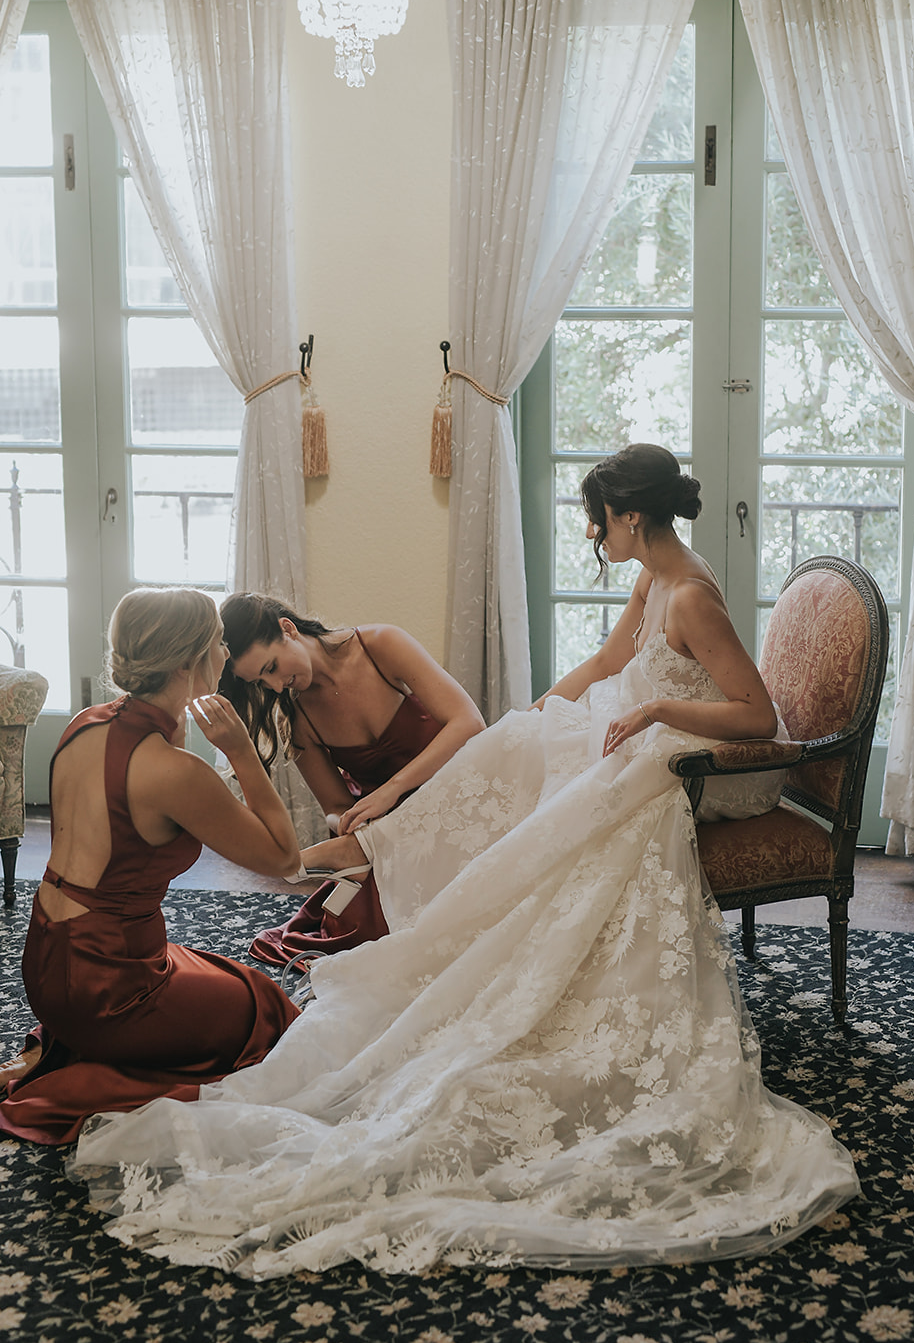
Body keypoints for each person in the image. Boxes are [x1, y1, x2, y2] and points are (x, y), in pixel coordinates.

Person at [69, 446, 859, 1275]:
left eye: (597, 520)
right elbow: (607, 666)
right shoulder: (652, 578)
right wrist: (541, 714)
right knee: (515, 750)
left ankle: (382, 865)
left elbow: (757, 718)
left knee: (555, 802)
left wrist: (656, 707)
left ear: (630, 518)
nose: (592, 534)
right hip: (640, 731)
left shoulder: (689, 595)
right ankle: (376, 856)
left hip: (709, 769)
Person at [0, 588, 335, 1145]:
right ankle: (91, 1072)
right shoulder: (174, 772)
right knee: (264, 1008)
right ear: (189, 661)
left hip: (47, 963)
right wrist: (241, 753)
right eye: (219, 644)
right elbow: (284, 858)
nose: (227, 656)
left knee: (214, 970)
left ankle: (81, 1041)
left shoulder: (84, 723)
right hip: (109, 991)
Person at [218, 595, 485, 964]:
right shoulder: (299, 722)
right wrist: (351, 822)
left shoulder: (380, 645)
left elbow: (469, 723)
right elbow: (335, 807)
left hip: (460, 788)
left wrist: (391, 791)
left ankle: (359, 851)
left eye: (272, 667)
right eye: (262, 682)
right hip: (385, 826)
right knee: (361, 932)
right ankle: (358, 850)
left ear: (287, 629)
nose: (276, 686)